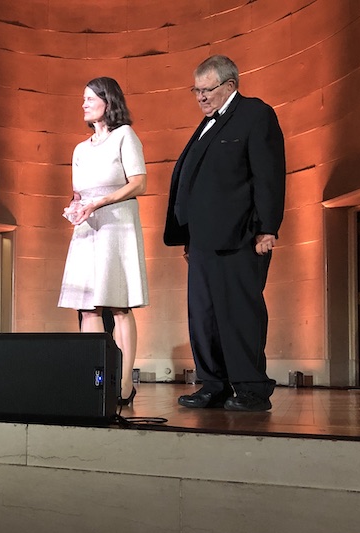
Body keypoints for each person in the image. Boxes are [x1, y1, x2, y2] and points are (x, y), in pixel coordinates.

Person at [164, 55, 286, 412]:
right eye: (196, 90)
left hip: (240, 237)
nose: (200, 97)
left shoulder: (255, 114)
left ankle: (251, 387)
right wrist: (187, 234)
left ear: (230, 86)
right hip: (203, 242)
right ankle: (213, 383)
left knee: (239, 313)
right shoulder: (206, 124)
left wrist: (267, 228)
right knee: (203, 316)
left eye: (207, 89)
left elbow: (269, 175)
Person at [58, 76, 148, 406]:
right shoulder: (80, 149)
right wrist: (75, 206)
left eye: (89, 98)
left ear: (107, 102)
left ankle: (124, 385)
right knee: (87, 308)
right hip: (86, 228)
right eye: (82, 98)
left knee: (120, 306)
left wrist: (99, 203)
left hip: (116, 224)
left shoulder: (125, 136)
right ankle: (96, 381)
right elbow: (80, 192)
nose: (83, 103)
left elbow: (139, 183)